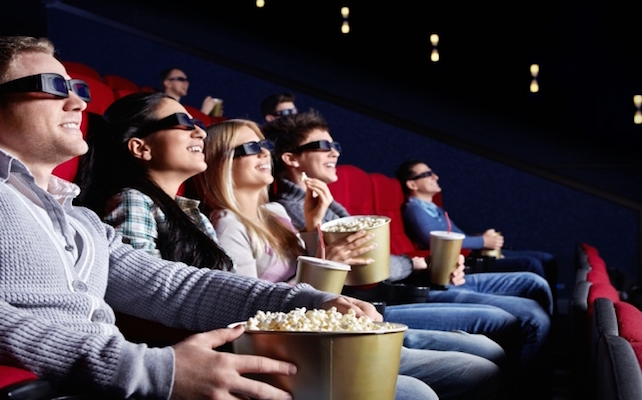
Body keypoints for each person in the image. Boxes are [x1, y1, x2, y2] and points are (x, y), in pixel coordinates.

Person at [0, 36, 432, 400]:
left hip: (111, 377)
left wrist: (311, 302)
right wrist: (152, 370)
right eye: (54, 88)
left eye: (77, 88)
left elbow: (176, 287)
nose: (78, 101)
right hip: (67, 386)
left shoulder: (74, 216)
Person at [193, 118, 503, 399]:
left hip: (338, 321)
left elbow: (315, 275)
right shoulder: (229, 226)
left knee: (484, 360)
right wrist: (333, 262)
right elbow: (251, 305)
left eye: (264, 146)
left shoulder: (274, 213)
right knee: (448, 381)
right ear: (221, 161)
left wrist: (314, 227)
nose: (263, 153)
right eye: (250, 147)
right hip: (307, 344)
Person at [263, 110, 553, 370]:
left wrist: (429, 265)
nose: (335, 152)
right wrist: (414, 264)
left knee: (529, 297)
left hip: (393, 288)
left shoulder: (328, 205)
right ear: (291, 158)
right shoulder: (294, 212)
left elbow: (367, 261)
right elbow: (358, 268)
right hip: (375, 302)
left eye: (335, 145)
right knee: (519, 320)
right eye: (323, 146)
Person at [76, 91, 233, 271]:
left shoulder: (192, 213)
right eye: (184, 122)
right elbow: (141, 280)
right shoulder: (133, 200)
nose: (201, 133)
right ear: (141, 148)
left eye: (197, 123)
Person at [396, 159, 558, 281]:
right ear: (412, 184)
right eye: (427, 174)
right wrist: (482, 242)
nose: (435, 177)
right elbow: (435, 240)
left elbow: (458, 234)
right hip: (463, 261)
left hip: (472, 253)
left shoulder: (433, 208)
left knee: (546, 258)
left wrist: (484, 239)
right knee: (532, 264)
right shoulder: (415, 209)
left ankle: (554, 315)